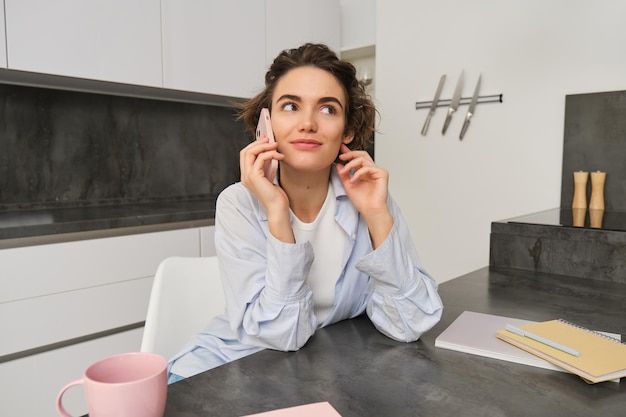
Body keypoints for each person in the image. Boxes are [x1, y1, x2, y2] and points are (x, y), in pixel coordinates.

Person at [167, 43, 443, 383]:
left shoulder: (371, 199)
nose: (308, 123)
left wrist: (377, 214)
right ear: (266, 124)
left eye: (328, 109)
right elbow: (281, 334)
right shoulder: (238, 203)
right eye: (290, 106)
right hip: (233, 365)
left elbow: (410, 321)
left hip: (320, 368)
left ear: (348, 130)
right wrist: (278, 212)